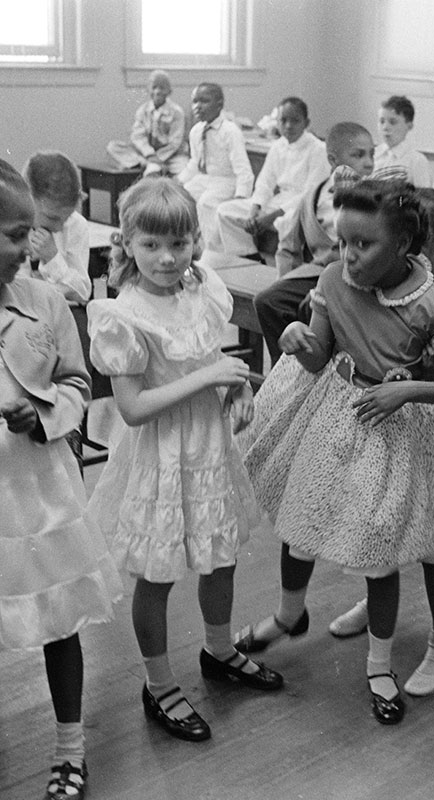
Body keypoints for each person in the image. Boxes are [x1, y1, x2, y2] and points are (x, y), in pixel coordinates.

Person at [235, 179, 434, 722]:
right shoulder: (332, 279)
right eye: (342, 241)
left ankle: (379, 662)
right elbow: (320, 356)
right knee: (300, 519)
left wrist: (405, 388)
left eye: (363, 245)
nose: (349, 255)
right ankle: (288, 613)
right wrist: (299, 337)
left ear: (403, 244)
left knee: (378, 549)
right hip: (336, 414)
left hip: (398, 430)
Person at [0, 154, 123, 798]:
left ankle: (70, 746)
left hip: (36, 486)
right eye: (16, 235)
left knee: (57, 616)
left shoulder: (44, 299)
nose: (31, 247)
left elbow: (78, 380)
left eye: (32, 232)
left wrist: (39, 410)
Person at [85, 177, 283, 745]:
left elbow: (215, 359)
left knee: (220, 556)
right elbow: (133, 408)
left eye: (179, 243)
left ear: (197, 240)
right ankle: (159, 683)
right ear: (127, 243)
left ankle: (220, 650)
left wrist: (237, 390)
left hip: (208, 444)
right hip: (159, 454)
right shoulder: (123, 315)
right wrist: (210, 378)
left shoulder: (203, 288)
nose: (167, 258)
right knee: (158, 571)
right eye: (151, 245)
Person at [252, 122, 375, 364]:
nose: (369, 162)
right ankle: (286, 367)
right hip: (316, 274)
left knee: (316, 307)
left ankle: (323, 367)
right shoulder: (311, 196)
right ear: (332, 159)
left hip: (360, 277)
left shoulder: (378, 199)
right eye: (359, 155)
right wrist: (284, 279)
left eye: (372, 154)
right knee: (268, 300)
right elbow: (288, 247)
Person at [215, 96, 329, 258]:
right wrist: (255, 210)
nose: (288, 126)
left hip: (302, 206)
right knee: (225, 210)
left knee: (287, 221)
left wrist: (271, 217)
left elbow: (310, 194)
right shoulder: (277, 146)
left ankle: (288, 262)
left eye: (295, 121)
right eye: (283, 120)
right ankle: (248, 255)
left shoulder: (318, 149)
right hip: (279, 202)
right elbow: (265, 183)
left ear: (306, 122)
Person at [179, 83, 255, 252]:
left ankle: (213, 250)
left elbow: (243, 169)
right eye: (194, 101)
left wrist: (241, 196)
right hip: (206, 179)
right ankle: (192, 244)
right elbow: (194, 164)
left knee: (207, 202)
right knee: (184, 196)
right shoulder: (196, 131)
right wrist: (178, 182)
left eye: (204, 101)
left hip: (227, 179)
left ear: (219, 104)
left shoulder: (230, 131)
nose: (198, 107)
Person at [22, 150, 93, 305]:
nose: (59, 228)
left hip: (60, 311)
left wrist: (52, 258)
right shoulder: (12, 222)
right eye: (52, 217)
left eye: (65, 218)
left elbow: (82, 292)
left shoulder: (76, 225)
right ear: (28, 197)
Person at [106, 70, 190, 177]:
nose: (157, 92)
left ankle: (153, 165)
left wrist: (159, 158)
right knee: (113, 147)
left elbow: (175, 142)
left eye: (162, 88)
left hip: (171, 156)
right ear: (148, 90)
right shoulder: (143, 110)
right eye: (154, 87)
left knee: (184, 170)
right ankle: (146, 163)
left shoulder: (177, 112)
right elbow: (137, 136)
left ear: (169, 91)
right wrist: (149, 154)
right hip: (148, 154)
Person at [375, 95, 432, 188]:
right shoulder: (373, 154)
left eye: (393, 122)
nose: (385, 127)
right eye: (382, 121)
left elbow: (423, 197)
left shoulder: (417, 161)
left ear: (409, 126)